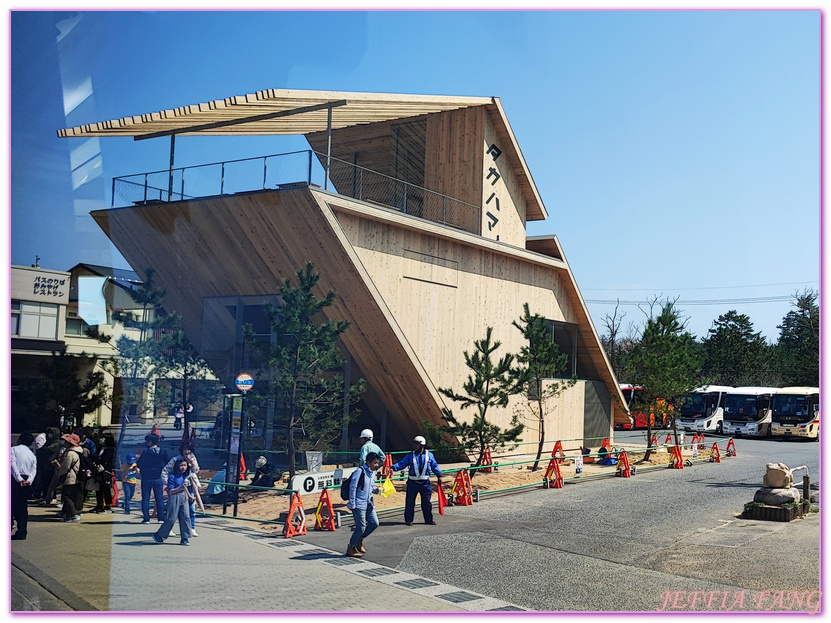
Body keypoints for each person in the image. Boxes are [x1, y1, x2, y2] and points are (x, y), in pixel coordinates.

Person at [390, 435, 443, 526]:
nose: (414, 445)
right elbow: (402, 464)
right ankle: (409, 520)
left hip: (425, 483)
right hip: (412, 483)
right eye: (414, 443)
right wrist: (393, 468)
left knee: (426, 503)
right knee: (410, 503)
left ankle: (428, 520)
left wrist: (439, 475)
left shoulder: (429, 455)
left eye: (416, 444)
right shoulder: (410, 455)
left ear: (422, 445)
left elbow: (434, 466)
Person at [345, 452, 381, 558]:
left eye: (377, 463)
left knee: (374, 523)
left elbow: (369, 487)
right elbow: (353, 487)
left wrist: (376, 490)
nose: (376, 465)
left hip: (369, 502)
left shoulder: (372, 473)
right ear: (368, 462)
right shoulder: (359, 471)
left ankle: (359, 539)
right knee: (361, 527)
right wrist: (353, 503)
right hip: (359, 504)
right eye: (374, 463)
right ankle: (351, 547)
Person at [161, 442, 200, 535]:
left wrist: (192, 464)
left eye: (189, 449)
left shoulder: (192, 458)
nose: (187, 451)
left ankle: (192, 527)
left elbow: (196, 471)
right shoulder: (176, 459)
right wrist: (168, 483)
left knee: (191, 508)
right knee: (173, 509)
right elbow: (165, 471)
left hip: (189, 486)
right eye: (185, 449)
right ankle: (168, 528)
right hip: (177, 487)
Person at [153, 458, 194, 546]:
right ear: (177, 466)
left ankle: (185, 538)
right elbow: (171, 491)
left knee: (186, 517)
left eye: (185, 465)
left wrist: (190, 496)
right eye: (181, 465)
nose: (183, 468)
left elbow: (185, 487)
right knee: (171, 518)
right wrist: (181, 488)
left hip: (184, 497)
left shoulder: (185, 476)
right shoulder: (172, 476)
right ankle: (159, 535)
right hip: (175, 497)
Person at [137, 433, 168, 524]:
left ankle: (146, 518)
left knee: (145, 498)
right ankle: (161, 518)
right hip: (158, 477)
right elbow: (167, 463)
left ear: (150, 441)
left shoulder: (146, 452)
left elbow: (140, 463)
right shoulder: (163, 451)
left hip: (147, 477)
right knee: (159, 498)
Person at [11, 432, 37, 540]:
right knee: (22, 506)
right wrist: (28, 480)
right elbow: (34, 470)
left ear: (20, 440)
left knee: (10, 504)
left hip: (14, 479)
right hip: (26, 480)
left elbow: (12, 464)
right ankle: (22, 531)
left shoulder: (13, 450)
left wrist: (19, 479)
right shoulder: (32, 454)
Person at [55, 434, 84, 523]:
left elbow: (65, 466)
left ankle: (72, 514)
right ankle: (69, 513)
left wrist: (59, 473)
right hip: (76, 477)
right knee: (71, 496)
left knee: (67, 497)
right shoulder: (78, 451)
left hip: (70, 477)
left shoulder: (71, 453)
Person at [31, 427, 61, 501]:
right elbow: (41, 450)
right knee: (45, 481)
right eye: (49, 433)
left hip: (51, 465)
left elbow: (49, 449)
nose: (50, 435)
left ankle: (51, 497)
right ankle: (45, 496)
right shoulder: (48, 442)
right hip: (44, 465)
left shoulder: (57, 443)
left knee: (50, 482)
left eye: (51, 433)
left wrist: (42, 451)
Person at [92, 434, 117, 513]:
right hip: (98, 470)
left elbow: (105, 459)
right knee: (98, 489)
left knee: (106, 489)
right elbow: (95, 456)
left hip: (106, 471)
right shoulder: (100, 448)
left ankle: (108, 506)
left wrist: (100, 461)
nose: (101, 440)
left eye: (103, 439)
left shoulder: (111, 449)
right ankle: (99, 504)